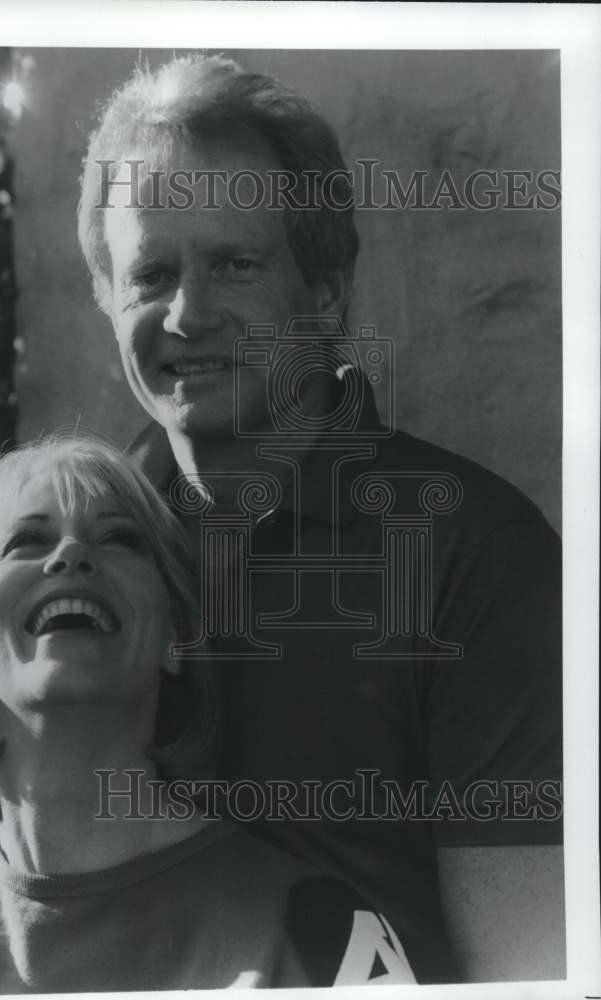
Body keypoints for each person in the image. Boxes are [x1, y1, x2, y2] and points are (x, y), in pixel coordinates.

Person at [76, 55, 564, 983]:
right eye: (150, 273)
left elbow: (528, 974)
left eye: (235, 263)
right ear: (108, 299)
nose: (188, 312)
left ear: (328, 293)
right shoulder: (78, 558)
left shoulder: (482, 564)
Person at [0, 436, 416, 995]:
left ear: (177, 637)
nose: (70, 555)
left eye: (117, 537)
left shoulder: (323, 934)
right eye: (27, 541)